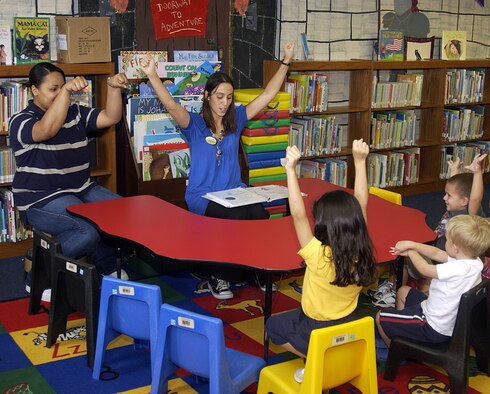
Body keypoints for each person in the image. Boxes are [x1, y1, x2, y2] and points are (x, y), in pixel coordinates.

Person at [139, 42, 295, 299]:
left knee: (259, 214)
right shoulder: (195, 124)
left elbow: (268, 95)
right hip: (203, 195)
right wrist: (152, 75)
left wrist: (286, 61)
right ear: (207, 96)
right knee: (229, 219)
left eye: (229, 97)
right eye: (219, 97)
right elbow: (171, 106)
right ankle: (219, 276)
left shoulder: (238, 118)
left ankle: (257, 270)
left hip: (235, 193)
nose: (225, 103)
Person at [265, 139, 377, 383]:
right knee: (289, 319)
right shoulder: (362, 246)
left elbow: (297, 215)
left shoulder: (320, 256)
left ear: (326, 226)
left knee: (272, 326)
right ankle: (333, 355)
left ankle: (318, 360)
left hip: (316, 328)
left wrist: (290, 171)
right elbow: (362, 202)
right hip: (349, 323)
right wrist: (360, 162)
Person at [8, 62, 129, 283]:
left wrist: (113, 88)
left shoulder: (75, 113)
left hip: (80, 188)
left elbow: (111, 117)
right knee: (87, 230)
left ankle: (104, 267)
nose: (59, 93)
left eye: (62, 87)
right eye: (52, 89)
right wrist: (65, 92)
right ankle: (37, 275)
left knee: (118, 213)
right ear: (34, 90)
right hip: (39, 198)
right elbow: (47, 129)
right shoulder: (21, 120)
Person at [371, 153, 487, 307]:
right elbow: (456, 188)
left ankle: (396, 292)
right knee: (401, 251)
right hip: (438, 251)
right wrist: (454, 171)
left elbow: (474, 199)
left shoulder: (470, 216)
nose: (444, 198)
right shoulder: (456, 205)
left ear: (464, 201)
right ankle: (393, 285)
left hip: (445, 259)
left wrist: (477, 173)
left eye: (448, 196)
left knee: (405, 257)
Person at [376, 215, 490, 356]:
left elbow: (424, 269)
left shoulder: (458, 269)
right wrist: (412, 244)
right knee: (403, 292)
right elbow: (437, 253)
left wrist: (411, 252)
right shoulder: (473, 261)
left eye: (447, 239)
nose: (444, 242)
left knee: (380, 317)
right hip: (446, 320)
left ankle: (398, 353)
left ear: (456, 248)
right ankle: (403, 338)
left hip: (432, 326)